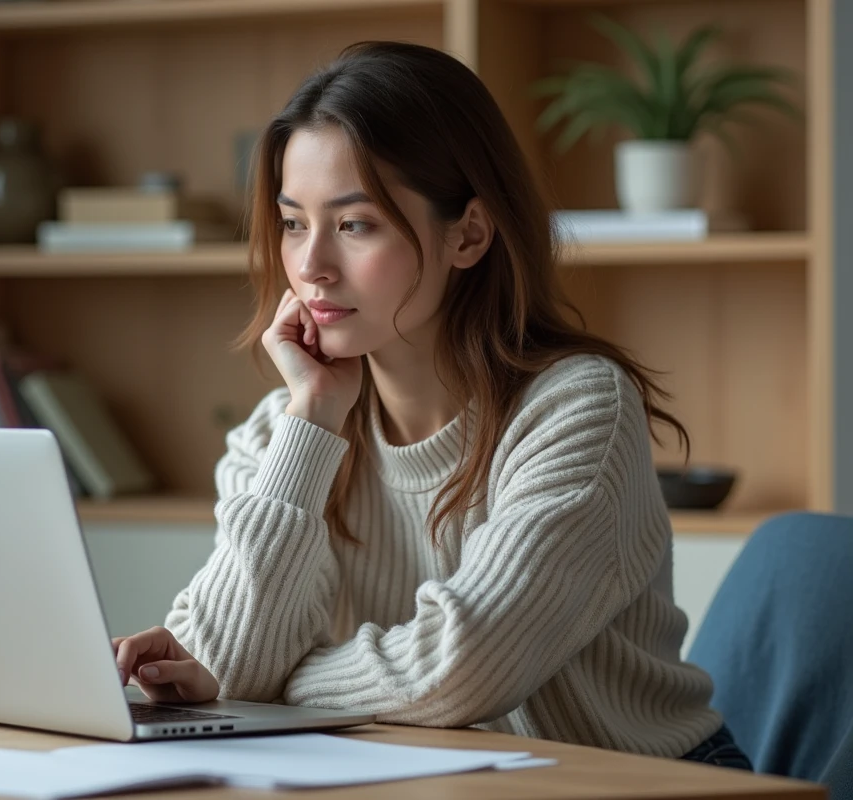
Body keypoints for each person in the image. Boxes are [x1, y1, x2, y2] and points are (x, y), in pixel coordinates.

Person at [112, 40, 750, 768]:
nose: (312, 265)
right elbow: (226, 661)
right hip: (436, 779)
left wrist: (277, 683)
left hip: (647, 784)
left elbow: (463, 668)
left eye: (355, 224)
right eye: (294, 223)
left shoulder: (575, 410)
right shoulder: (283, 432)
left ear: (469, 234)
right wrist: (312, 419)